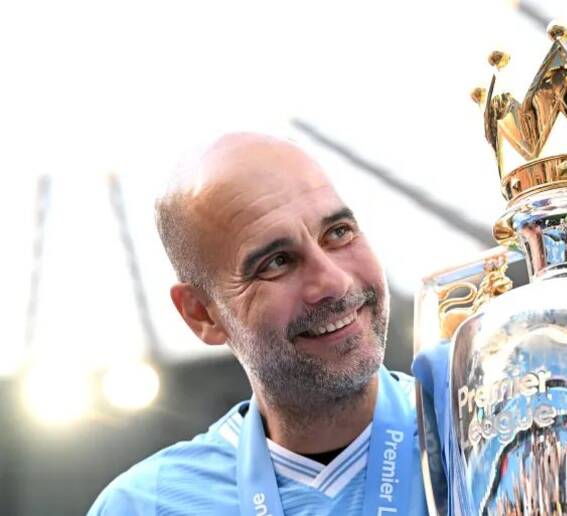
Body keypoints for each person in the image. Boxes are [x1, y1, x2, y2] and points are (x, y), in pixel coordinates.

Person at [88, 133, 428, 515]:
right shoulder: (143, 506)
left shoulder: (470, 432)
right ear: (202, 314)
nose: (334, 282)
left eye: (338, 233)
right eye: (277, 262)